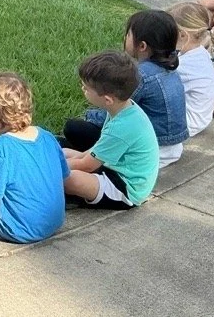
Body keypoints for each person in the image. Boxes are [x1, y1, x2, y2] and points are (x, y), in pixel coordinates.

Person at [64, 10, 188, 167]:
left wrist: (90, 116)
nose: (125, 38)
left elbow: (116, 109)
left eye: (128, 35)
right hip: (172, 146)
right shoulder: (169, 68)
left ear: (142, 46)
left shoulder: (141, 76)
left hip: (153, 149)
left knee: (74, 128)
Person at [0, 72, 69, 244]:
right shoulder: (47, 136)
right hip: (54, 222)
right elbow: (63, 177)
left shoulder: (0, 149)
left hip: (19, 229)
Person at [61, 52, 160, 210]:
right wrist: (66, 156)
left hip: (126, 187)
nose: (82, 89)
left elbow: (86, 165)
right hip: (115, 167)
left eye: (86, 88)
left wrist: (51, 166)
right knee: (63, 150)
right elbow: (94, 152)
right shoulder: (124, 108)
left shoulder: (122, 127)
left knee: (69, 178)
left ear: (107, 99)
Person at [166, 2, 214, 139]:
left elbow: (162, 88)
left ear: (182, 35)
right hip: (201, 118)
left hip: (186, 124)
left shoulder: (185, 65)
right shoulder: (199, 53)